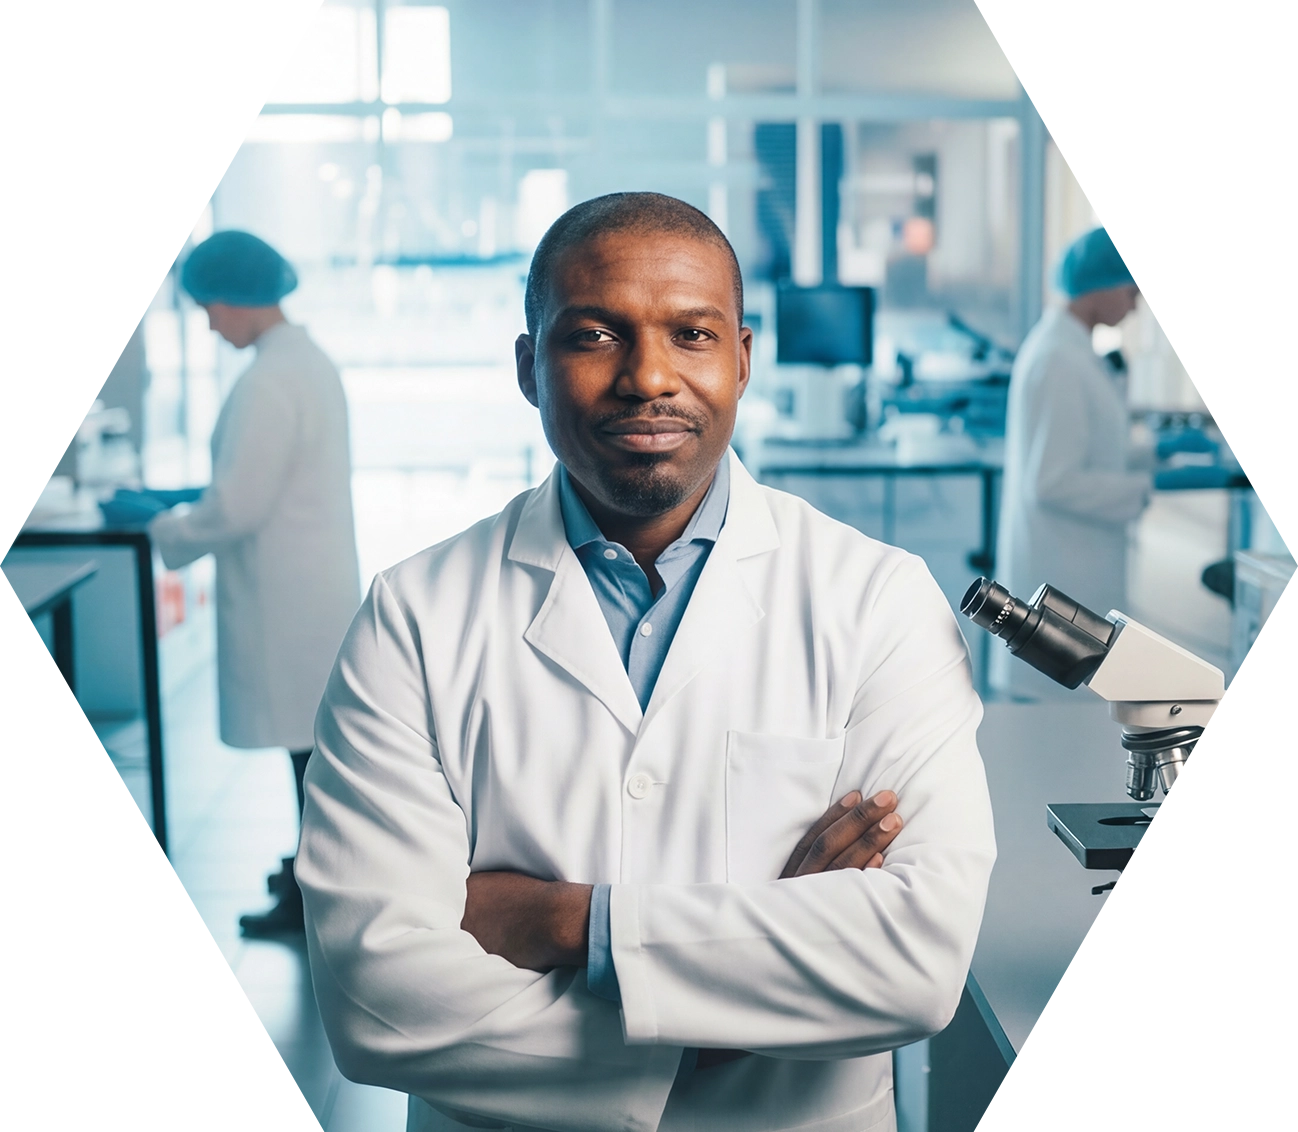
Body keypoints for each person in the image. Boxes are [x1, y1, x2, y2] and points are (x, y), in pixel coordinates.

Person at [297, 193, 996, 1132]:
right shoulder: (412, 617)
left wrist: (561, 925)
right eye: (594, 335)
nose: (649, 377)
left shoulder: (876, 601)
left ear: (743, 360)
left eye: (693, 335)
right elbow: (378, 1002)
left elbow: (915, 963)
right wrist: (748, 996)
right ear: (527, 365)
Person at [150, 230, 360, 935]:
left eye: (210, 307)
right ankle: (309, 874)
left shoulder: (270, 377)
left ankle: (310, 894)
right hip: (308, 582)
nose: (209, 323)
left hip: (286, 596)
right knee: (310, 750)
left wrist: (165, 528)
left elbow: (239, 505)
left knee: (307, 754)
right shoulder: (303, 362)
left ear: (237, 300)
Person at [992, 226, 1155, 700]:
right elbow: (1052, 481)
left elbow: (1089, 443)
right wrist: (1140, 490)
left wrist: (1153, 456)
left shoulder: (1074, 350)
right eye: (1131, 291)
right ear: (1097, 288)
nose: (1136, 304)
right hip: (1063, 572)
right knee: (1057, 739)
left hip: (1076, 571)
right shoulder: (1058, 359)